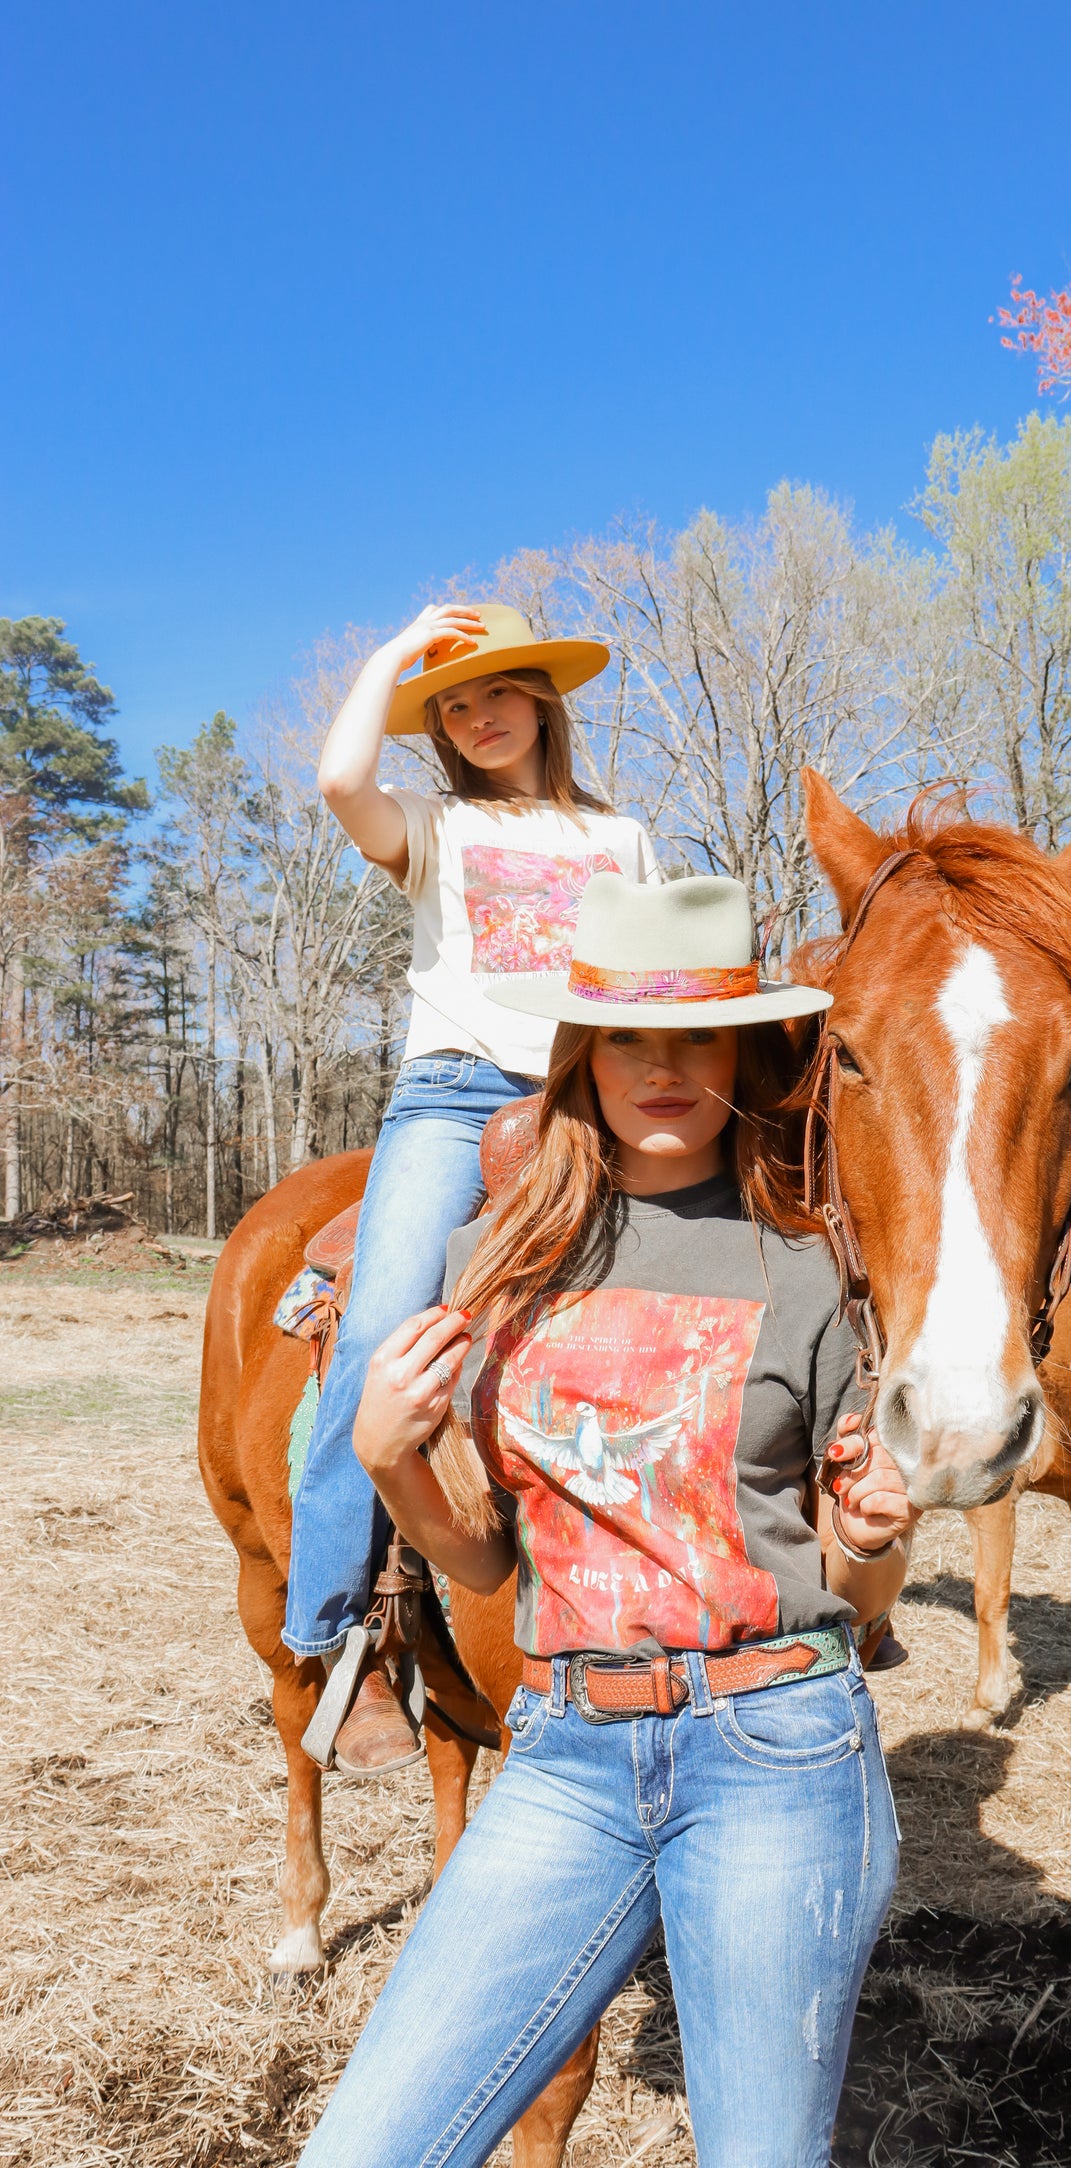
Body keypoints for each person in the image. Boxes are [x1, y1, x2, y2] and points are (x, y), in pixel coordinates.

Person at [298, 871, 915, 2168]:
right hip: (566, 1753)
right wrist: (387, 1459)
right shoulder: (500, 1258)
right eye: (631, 1033)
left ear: (744, 1053)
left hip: (778, 1749)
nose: (664, 1065)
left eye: (698, 1035)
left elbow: (853, 1605)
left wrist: (869, 1533)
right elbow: (482, 1555)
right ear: (582, 1051)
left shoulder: (808, 1264)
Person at [282, 600, 659, 1780]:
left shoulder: (624, 839)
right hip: (451, 1096)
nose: (474, 715)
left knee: (713, 1285)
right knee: (387, 1326)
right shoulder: (433, 824)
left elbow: (647, 985)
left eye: (494, 691)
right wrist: (391, 649)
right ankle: (333, 1632)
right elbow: (343, 776)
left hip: (586, 1094)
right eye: (449, 704)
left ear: (541, 699)